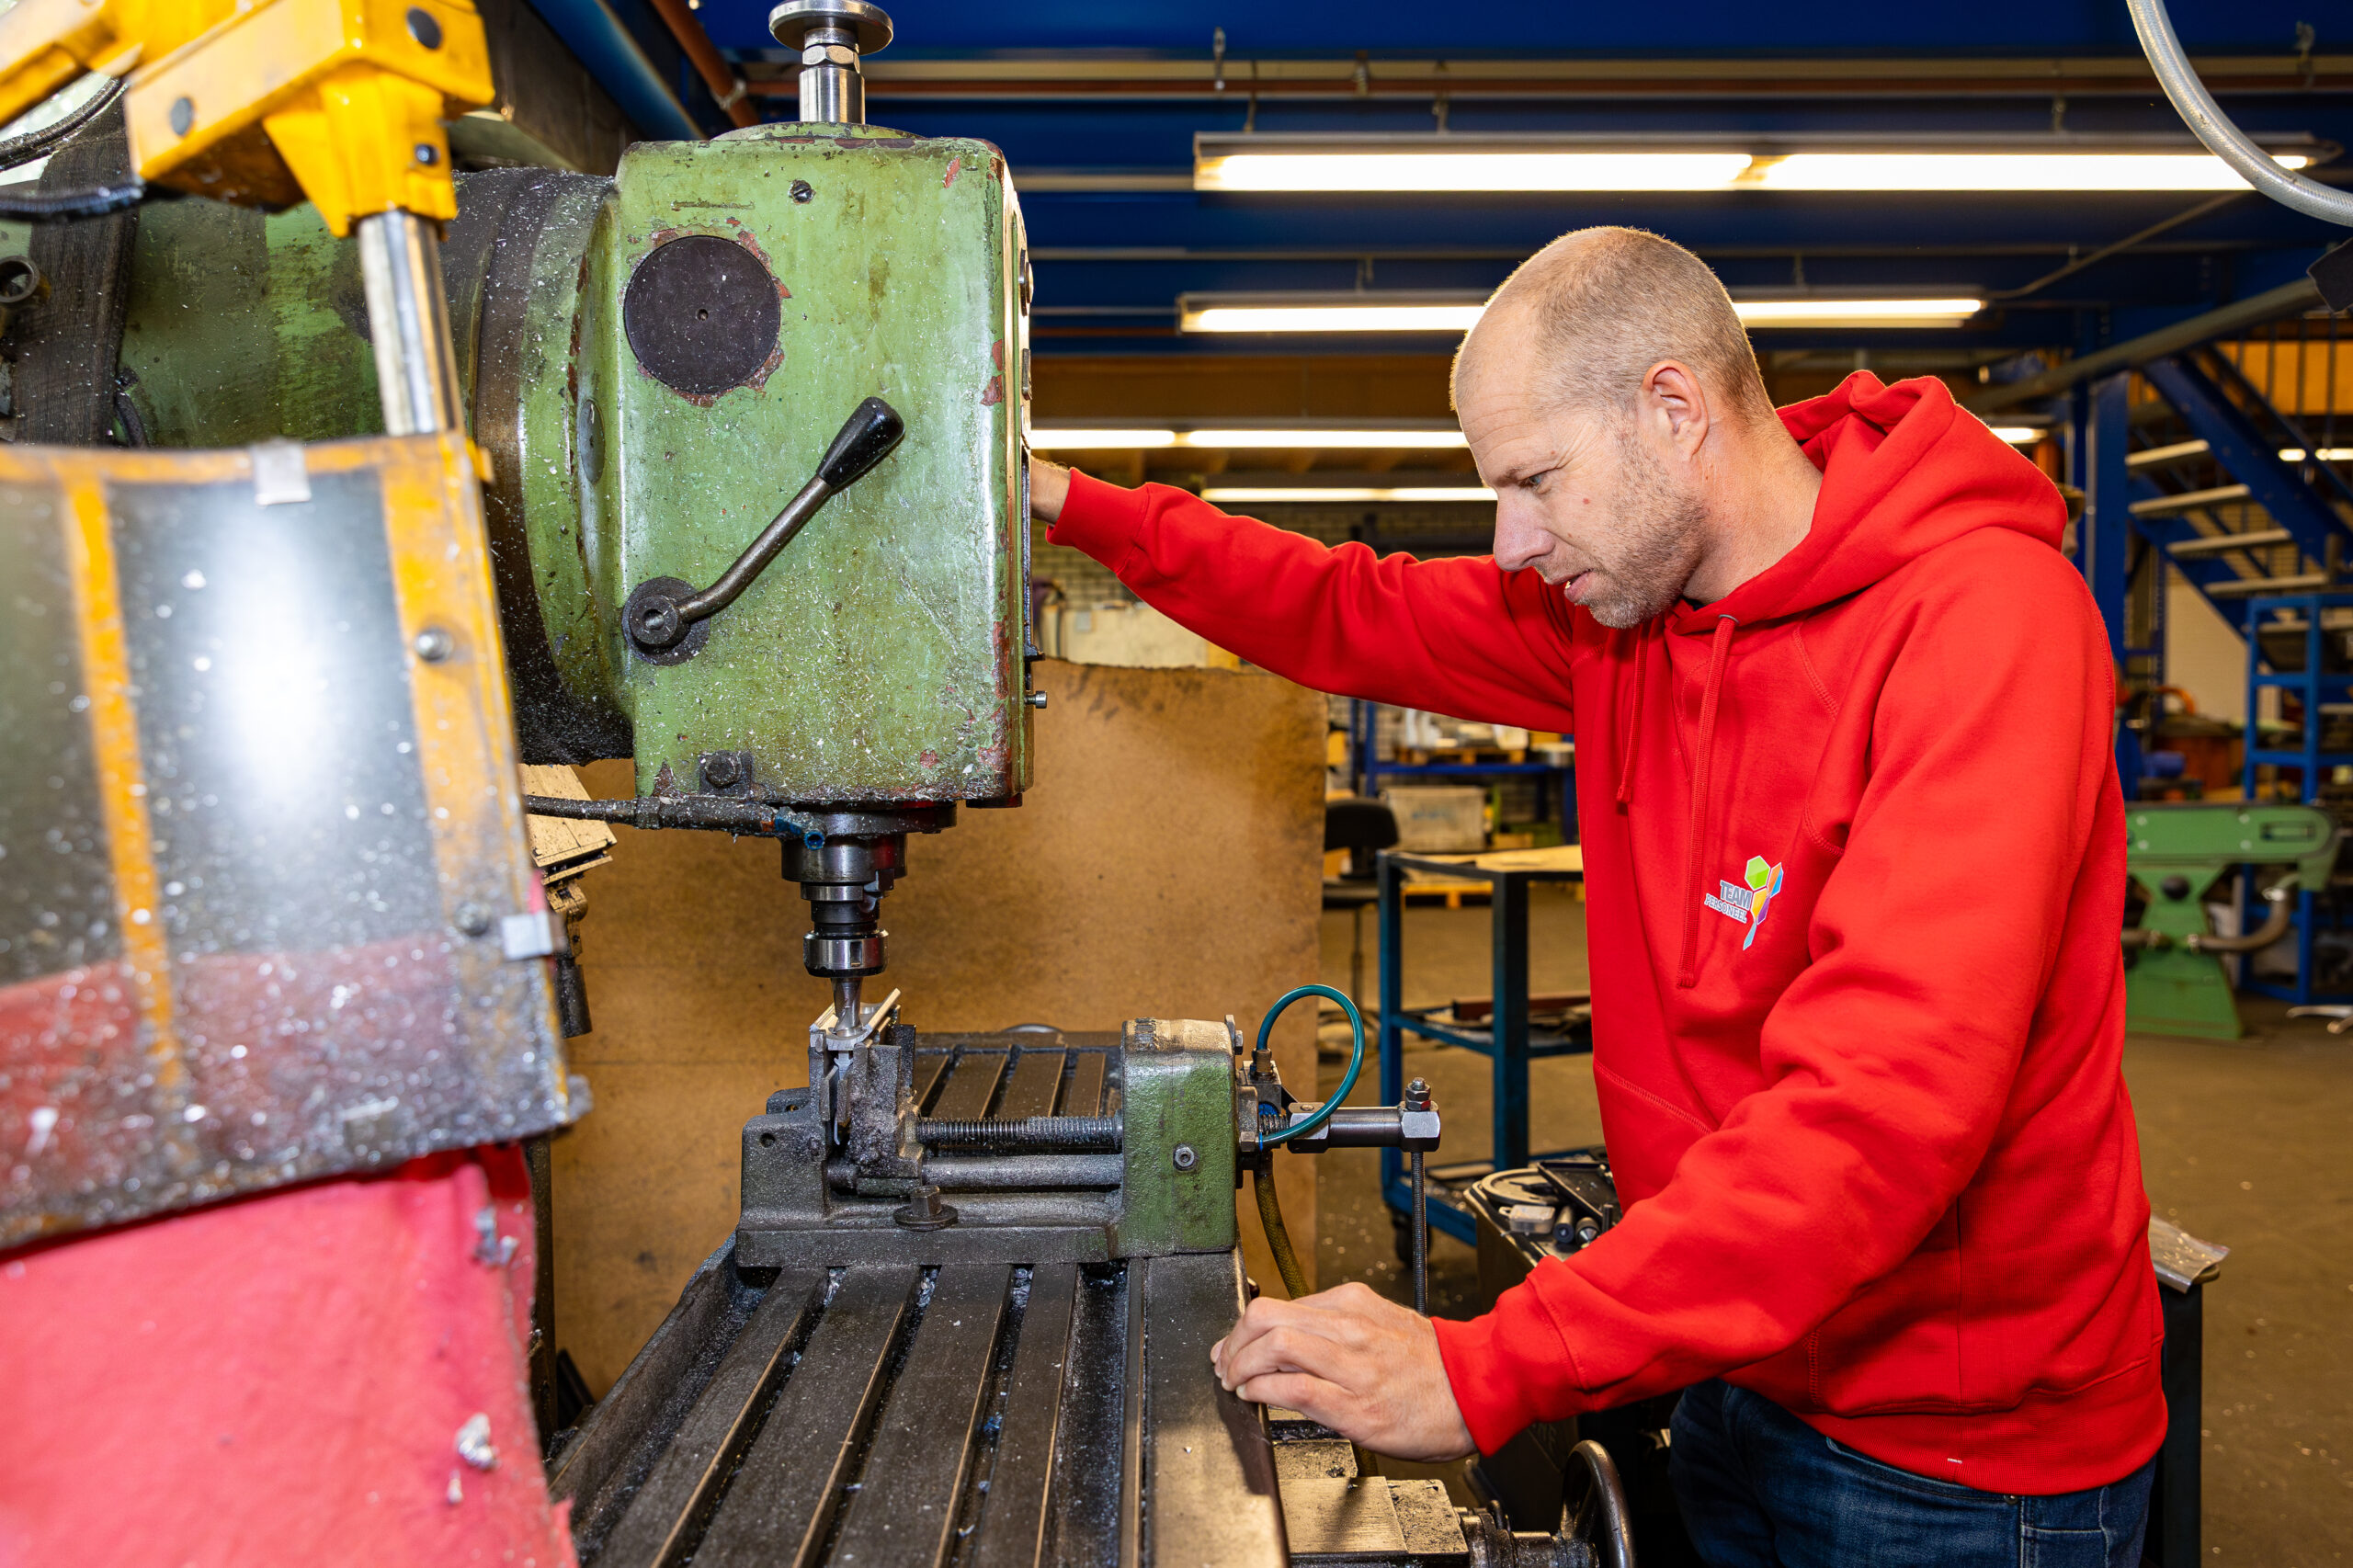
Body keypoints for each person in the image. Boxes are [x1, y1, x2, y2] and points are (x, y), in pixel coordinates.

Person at [1028, 227, 2163, 1567]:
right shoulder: (1624, 616)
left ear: (1672, 409)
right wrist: (1058, 503)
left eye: (1534, 481)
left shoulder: (1980, 620)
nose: (1513, 542)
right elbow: (1344, 608)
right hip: (1733, 1362)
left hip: (1959, 1458)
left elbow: (1882, 1112)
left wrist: (1500, 1360)